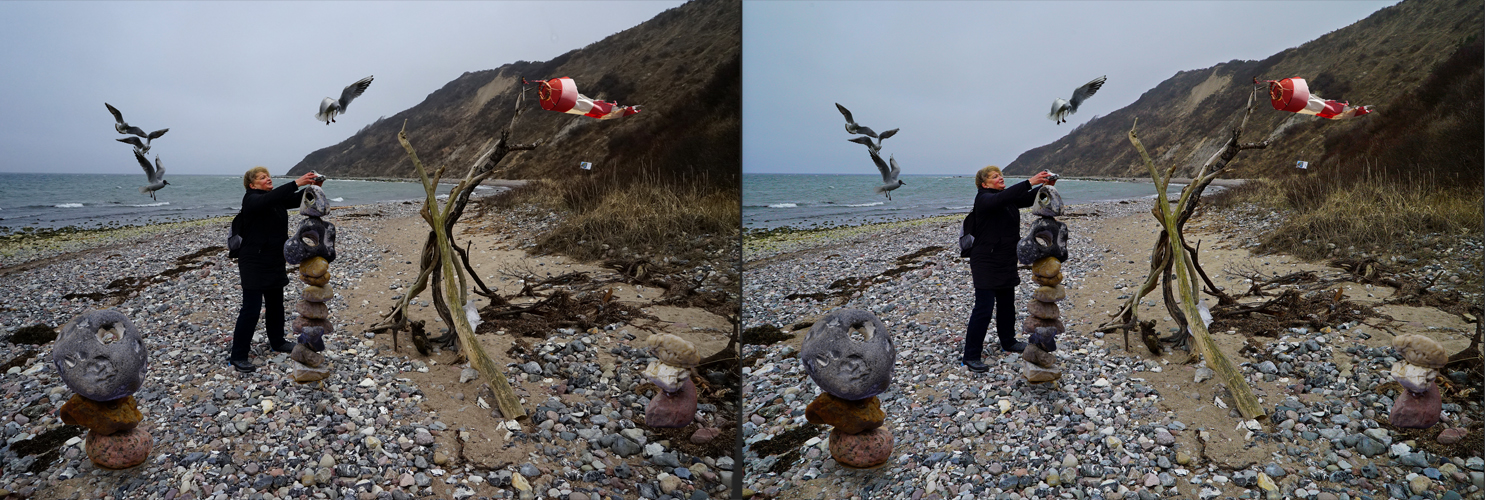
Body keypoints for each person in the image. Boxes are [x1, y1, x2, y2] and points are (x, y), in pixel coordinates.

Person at [962, 166, 1053, 373]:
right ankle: (971, 355)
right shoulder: (984, 199)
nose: (1000, 178)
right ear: (984, 184)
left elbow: (1029, 199)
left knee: (1006, 304)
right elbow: (1001, 200)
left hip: (1005, 259)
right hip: (985, 261)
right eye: (995, 177)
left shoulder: (1005, 199)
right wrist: (1030, 181)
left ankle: (1008, 341)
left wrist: (1045, 187)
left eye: (1000, 175)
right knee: (983, 309)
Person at [229, 167, 320, 372]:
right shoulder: (251, 200)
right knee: (251, 309)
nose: (267, 178)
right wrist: (297, 182)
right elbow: (268, 200)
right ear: (252, 185)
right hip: (253, 262)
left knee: (276, 304)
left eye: (268, 175)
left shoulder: (274, 200)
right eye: (262, 177)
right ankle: (238, 355)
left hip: (274, 260)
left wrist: (313, 188)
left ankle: (277, 341)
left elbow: (298, 200)